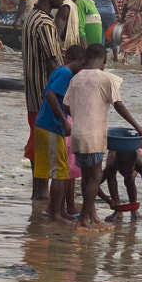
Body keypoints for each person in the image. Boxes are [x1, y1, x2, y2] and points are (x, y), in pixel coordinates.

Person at [65, 43, 137, 230]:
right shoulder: (105, 78)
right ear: (104, 59)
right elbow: (118, 105)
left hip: (77, 134)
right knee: (96, 176)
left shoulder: (76, 78)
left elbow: (66, 105)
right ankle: (82, 221)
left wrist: (81, 113)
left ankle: (92, 217)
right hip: (93, 135)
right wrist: (138, 127)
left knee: (87, 177)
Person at [20, 0, 67, 203]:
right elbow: (53, 62)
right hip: (46, 97)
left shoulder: (30, 17)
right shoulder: (46, 24)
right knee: (46, 150)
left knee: (37, 145)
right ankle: (41, 196)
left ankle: (39, 196)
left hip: (32, 94)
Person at [33, 43, 81, 223]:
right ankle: (55, 214)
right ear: (80, 61)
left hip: (47, 125)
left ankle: (58, 211)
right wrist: (63, 120)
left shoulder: (61, 71)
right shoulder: (66, 73)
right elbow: (51, 95)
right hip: (50, 126)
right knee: (60, 171)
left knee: (60, 170)